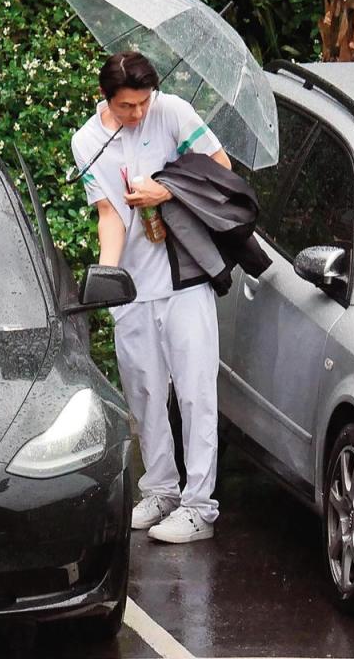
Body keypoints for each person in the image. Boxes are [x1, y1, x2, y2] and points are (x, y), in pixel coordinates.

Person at [71, 51, 232, 543]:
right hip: (135, 286)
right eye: (126, 106)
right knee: (143, 393)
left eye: (143, 102)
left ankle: (200, 506)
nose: (137, 113)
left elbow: (220, 168)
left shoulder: (174, 112)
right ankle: (160, 488)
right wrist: (109, 277)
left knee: (195, 391)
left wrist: (165, 191)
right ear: (107, 99)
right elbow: (109, 214)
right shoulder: (87, 142)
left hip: (185, 277)